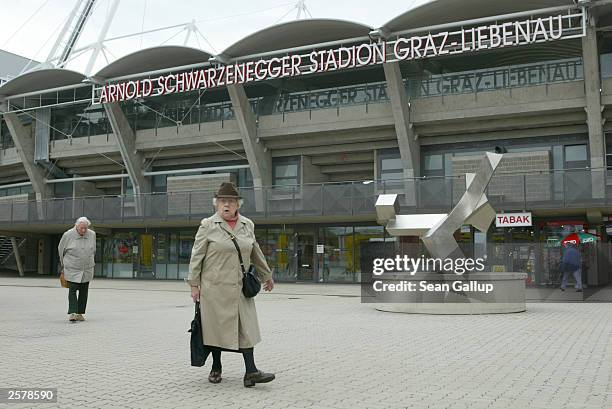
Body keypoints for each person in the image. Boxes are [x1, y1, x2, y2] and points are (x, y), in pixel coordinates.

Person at [187, 182, 275, 387]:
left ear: (238, 205)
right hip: (214, 288)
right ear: (216, 204)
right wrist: (194, 284)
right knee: (216, 329)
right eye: (222, 201)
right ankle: (216, 367)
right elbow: (196, 256)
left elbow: (255, 252)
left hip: (240, 288)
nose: (226, 205)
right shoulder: (208, 225)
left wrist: (266, 276)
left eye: (231, 201)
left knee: (246, 329)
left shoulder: (247, 225)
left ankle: (251, 372)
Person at [58, 217, 97, 322]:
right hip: (72, 268)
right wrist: (63, 265)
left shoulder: (92, 234)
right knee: (73, 289)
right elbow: (61, 250)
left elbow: (94, 249)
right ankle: (72, 313)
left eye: (86, 228)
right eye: (81, 228)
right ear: (76, 226)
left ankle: (80, 313)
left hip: (87, 268)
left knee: (84, 291)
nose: (84, 230)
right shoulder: (68, 235)